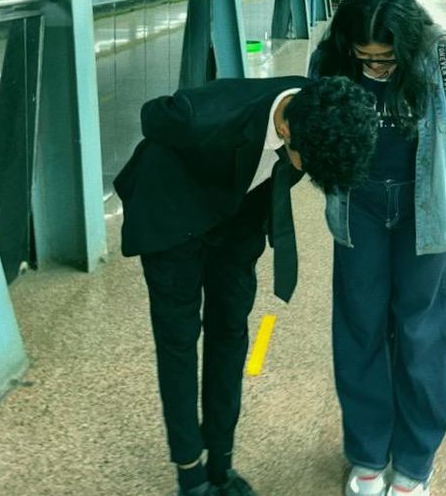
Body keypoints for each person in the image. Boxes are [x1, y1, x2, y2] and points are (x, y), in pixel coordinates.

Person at [114, 75, 379, 496]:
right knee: (179, 341)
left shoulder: (317, 107)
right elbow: (152, 116)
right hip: (172, 214)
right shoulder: (197, 117)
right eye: (304, 162)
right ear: (288, 130)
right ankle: (191, 473)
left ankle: (221, 464)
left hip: (237, 217)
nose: (304, 172)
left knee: (230, 333)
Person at [309, 0, 446, 496]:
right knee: (360, 329)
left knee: (421, 333)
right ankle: (366, 454)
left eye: (385, 60)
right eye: (365, 59)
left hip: (423, 211)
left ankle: (413, 463)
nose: (375, 69)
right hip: (357, 205)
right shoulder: (329, 59)